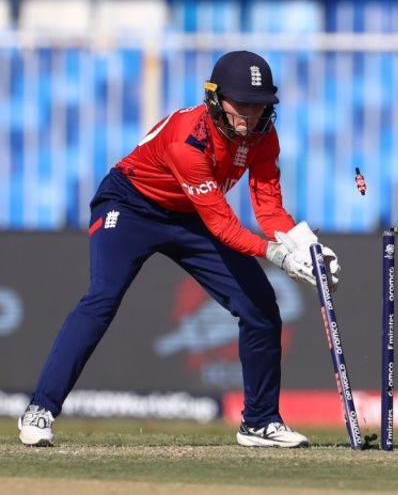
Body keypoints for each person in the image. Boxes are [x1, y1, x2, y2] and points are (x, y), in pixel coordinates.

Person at [17, 50, 338, 448]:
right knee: (102, 298)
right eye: (242, 104)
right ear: (216, 98)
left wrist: (305, 246)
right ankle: (40, 409)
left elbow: (268, 206)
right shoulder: (188, 140)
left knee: (260, 307)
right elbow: (222, 223)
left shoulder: (263, 136)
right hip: (131, 206)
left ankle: (259, 422)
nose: (250, 115)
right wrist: (278, 255)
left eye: (259, 105)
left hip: (192, 215)